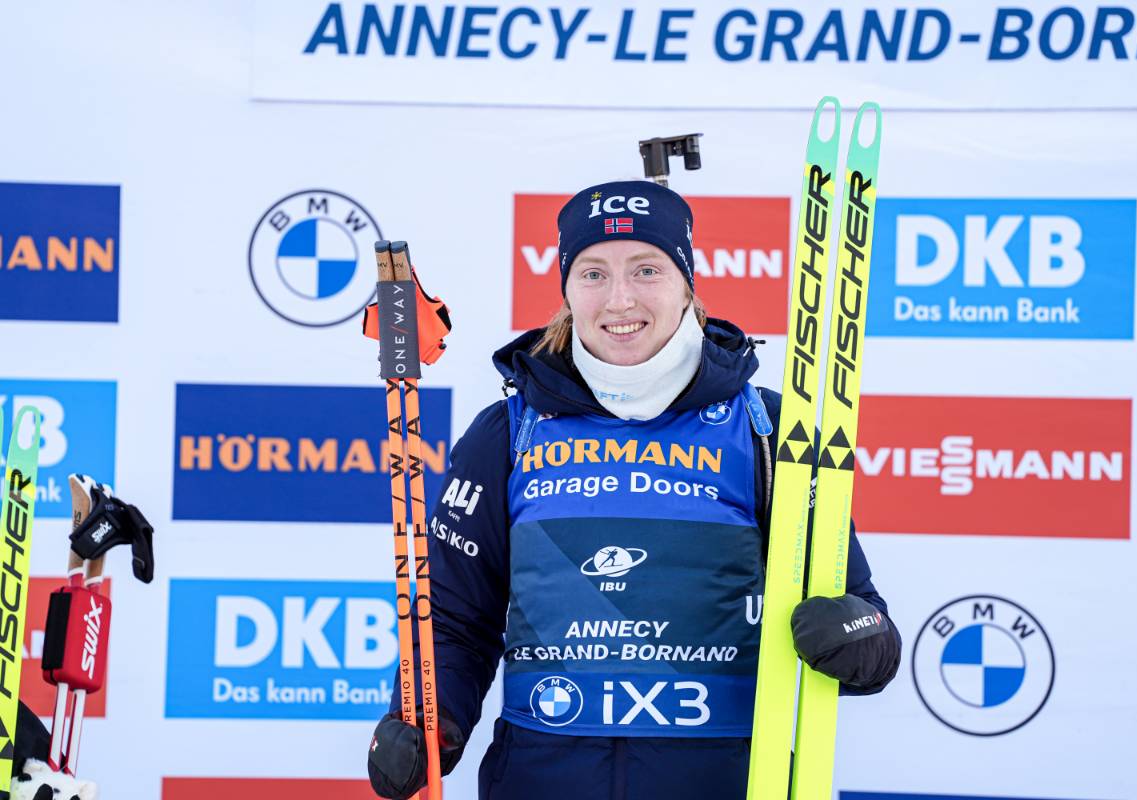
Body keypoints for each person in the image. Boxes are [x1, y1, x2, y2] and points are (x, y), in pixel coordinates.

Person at [367, 180, 901, 800]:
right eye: (593, 273)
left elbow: (869, 629)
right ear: (567, 290)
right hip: (541, 779)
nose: (619, 299)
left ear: (687, 285)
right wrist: (428, 726)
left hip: (725, 782)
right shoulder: (510, 431)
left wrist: (853, 637)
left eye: (647, 269)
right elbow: (455, 620)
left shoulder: (768, 430)